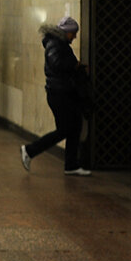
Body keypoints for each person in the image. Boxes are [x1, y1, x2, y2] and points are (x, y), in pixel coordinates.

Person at [20, 16, 91, 176]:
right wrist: (75, 65)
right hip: (59, 94)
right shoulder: (55, 44)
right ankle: (30, 150)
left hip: (64, 92)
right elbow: (56, 64)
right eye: (73, 33)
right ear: (66, 32)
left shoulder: (60, 44)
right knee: (66, 129)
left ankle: (71, 165)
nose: (75, 36)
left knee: (75, 127)